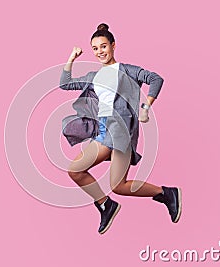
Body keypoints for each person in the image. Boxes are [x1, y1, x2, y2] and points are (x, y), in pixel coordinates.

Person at [59, 23, 182, 234]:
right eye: (95, 48)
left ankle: (107, 205)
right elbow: (65, 84)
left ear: (113, 46)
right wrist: (71, 58)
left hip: (120, 128)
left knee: (80, 171)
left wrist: (146, 106)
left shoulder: (126, 70)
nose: (100, 52)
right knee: (119, 186)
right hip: (103, 129)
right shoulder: (93, 76)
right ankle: (164, 193)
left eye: (104, 46)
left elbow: (155, 79)